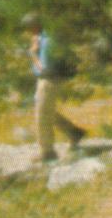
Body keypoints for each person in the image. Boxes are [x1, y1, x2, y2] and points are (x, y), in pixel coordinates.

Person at [24, 14, 85, 160]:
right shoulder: (42, 39)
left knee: (42, 114)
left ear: (34, 26)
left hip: (48, 79)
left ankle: (47, 152)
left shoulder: (47, 41)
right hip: (47, 80)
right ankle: (73, 132)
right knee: (46, 110)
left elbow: (45, 68)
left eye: (28, 28)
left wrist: (33, 54)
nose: (27, 32)